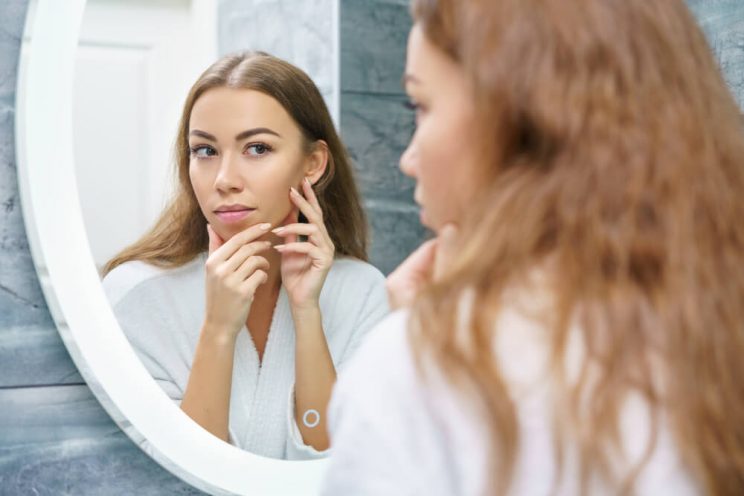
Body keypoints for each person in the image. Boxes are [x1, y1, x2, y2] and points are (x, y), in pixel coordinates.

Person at [322, 0, 744, 493]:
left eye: (420, 106)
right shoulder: (719, 327)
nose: (408, 158)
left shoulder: (410, 378)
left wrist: (425, 342)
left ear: (518, 124)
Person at [101, 52, 388, 460]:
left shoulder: (361, 292)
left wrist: (307, 314)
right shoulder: (136, 295)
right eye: (204, 150)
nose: (224, 180)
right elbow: (172, 475)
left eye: (256, 148)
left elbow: (339, 464)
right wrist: (218, 330)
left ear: (312, 164)